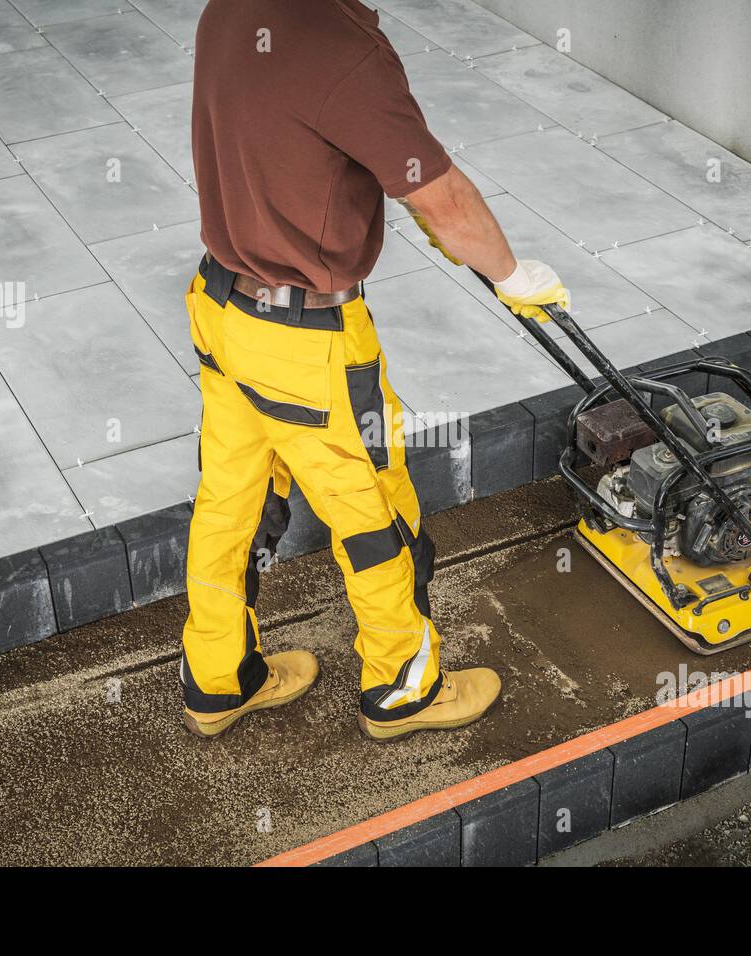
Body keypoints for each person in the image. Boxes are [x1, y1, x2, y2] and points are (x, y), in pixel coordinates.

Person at [181, 0, 569, 741]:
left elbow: (284, 139)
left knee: (230, 501)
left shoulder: (229, 9)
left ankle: (218, 680)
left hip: (221, 309)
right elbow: (445, 201)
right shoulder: (340, 47)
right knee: (375, 515)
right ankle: (404, 689)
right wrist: (514, 275)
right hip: (306, 347)